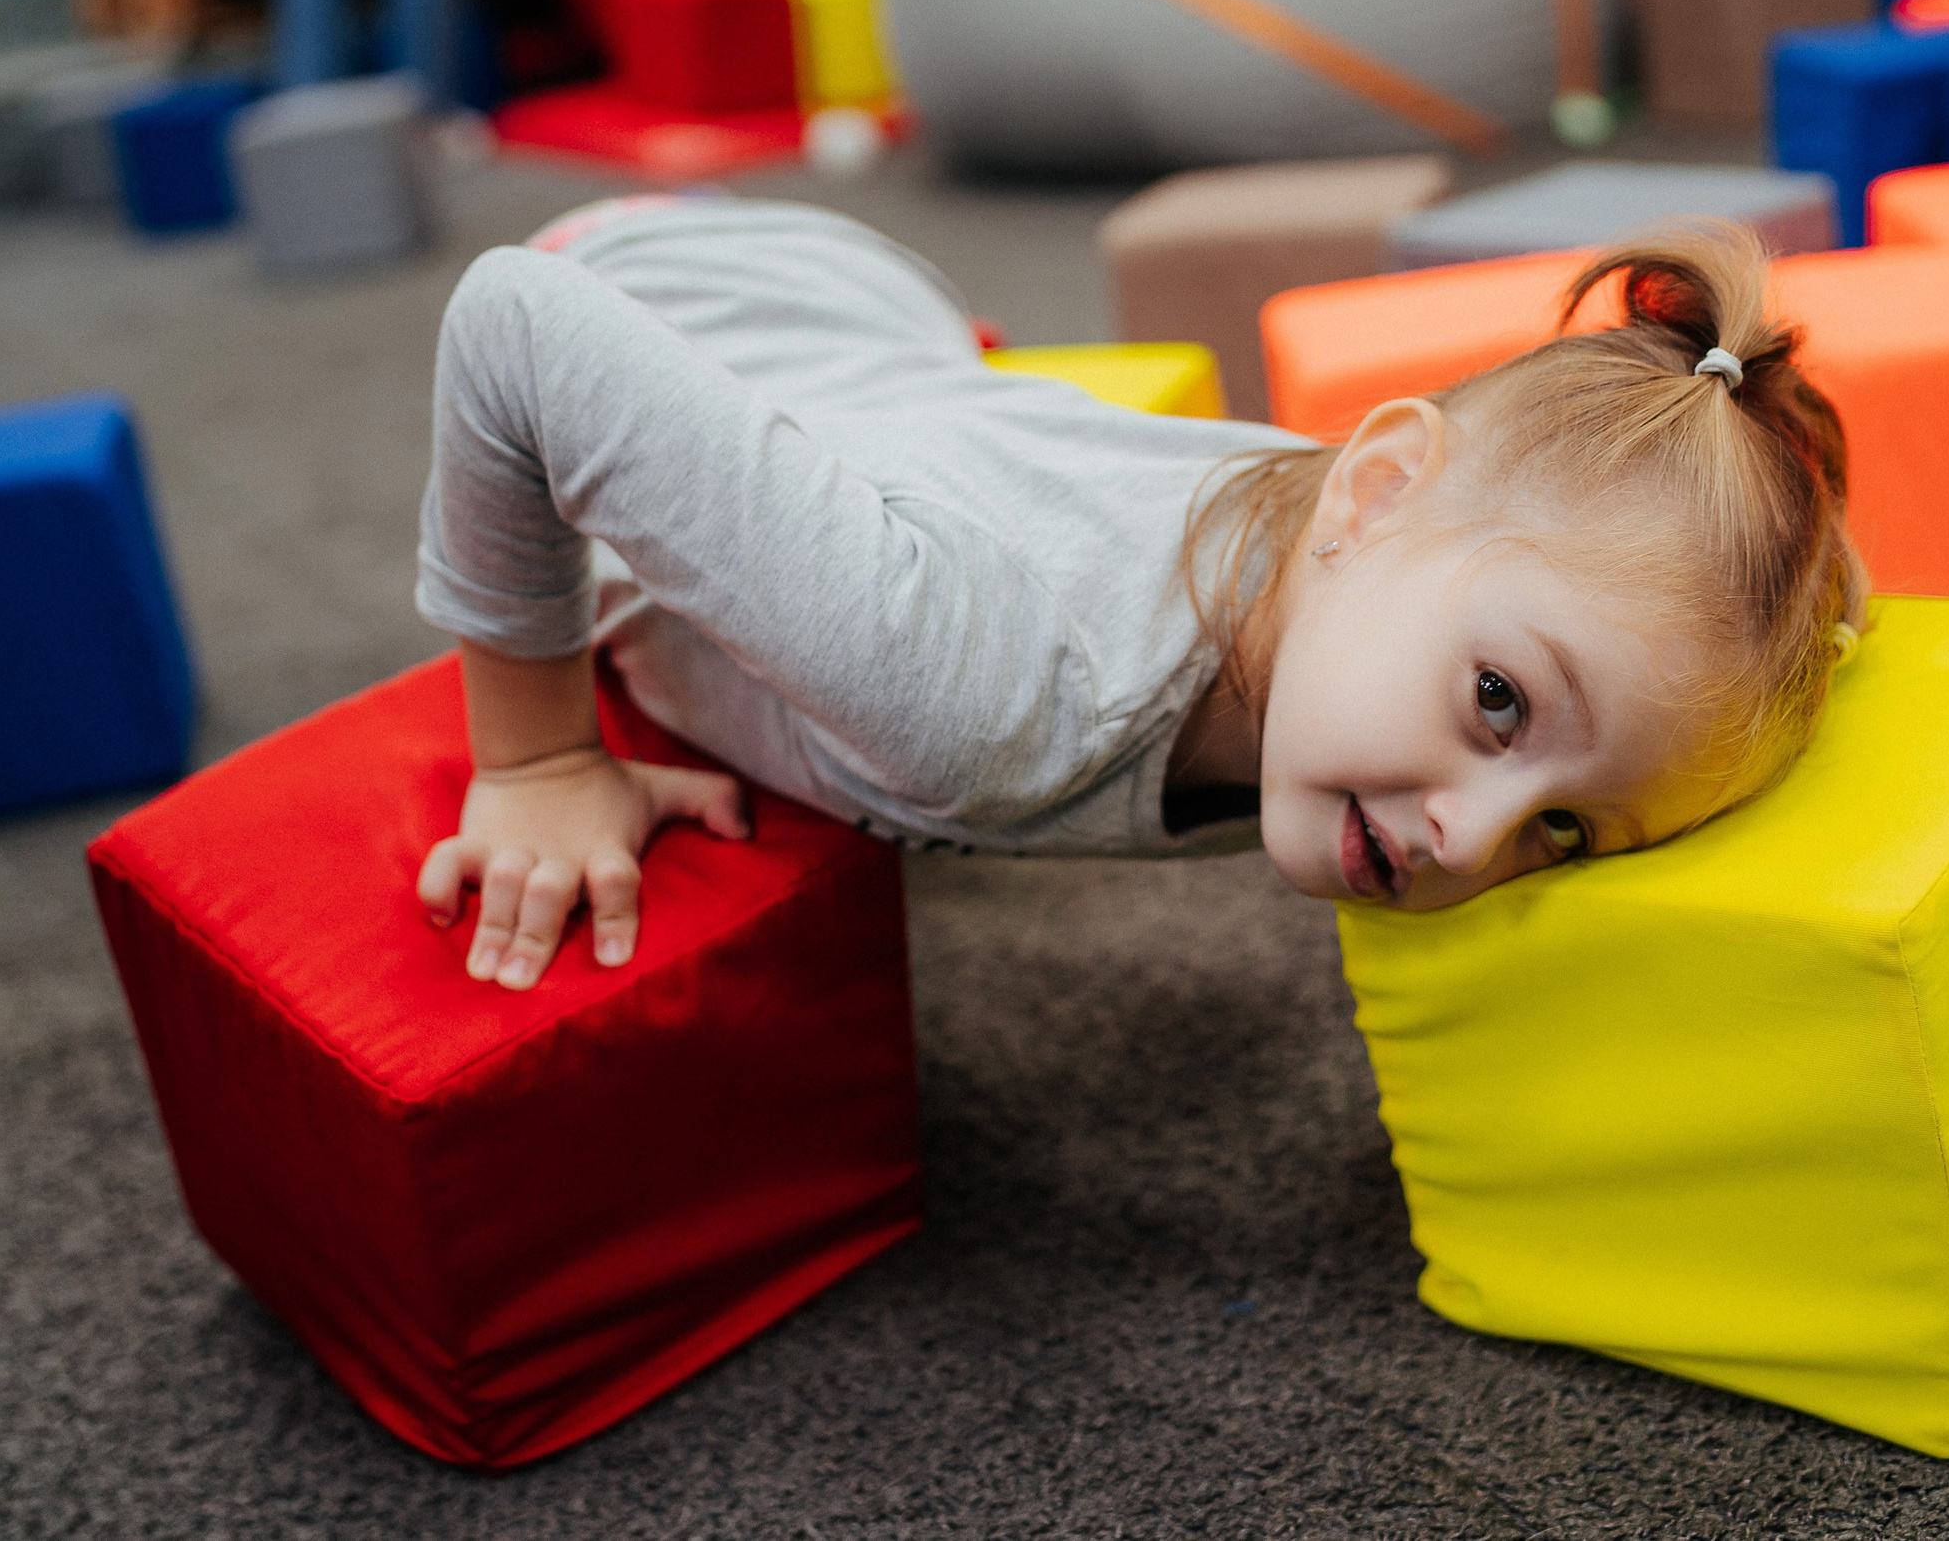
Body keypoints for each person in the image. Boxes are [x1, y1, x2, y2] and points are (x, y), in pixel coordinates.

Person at [412, 196, 1866, 990]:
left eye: (1567, 830)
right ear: (1371, 490)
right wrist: (538, 756)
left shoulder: (1364, 564)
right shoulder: (965, 687)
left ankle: (955, 411)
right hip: (676, 274)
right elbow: (512, 331)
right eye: (1500, 705)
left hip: (887, 331)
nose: (1471, 844)